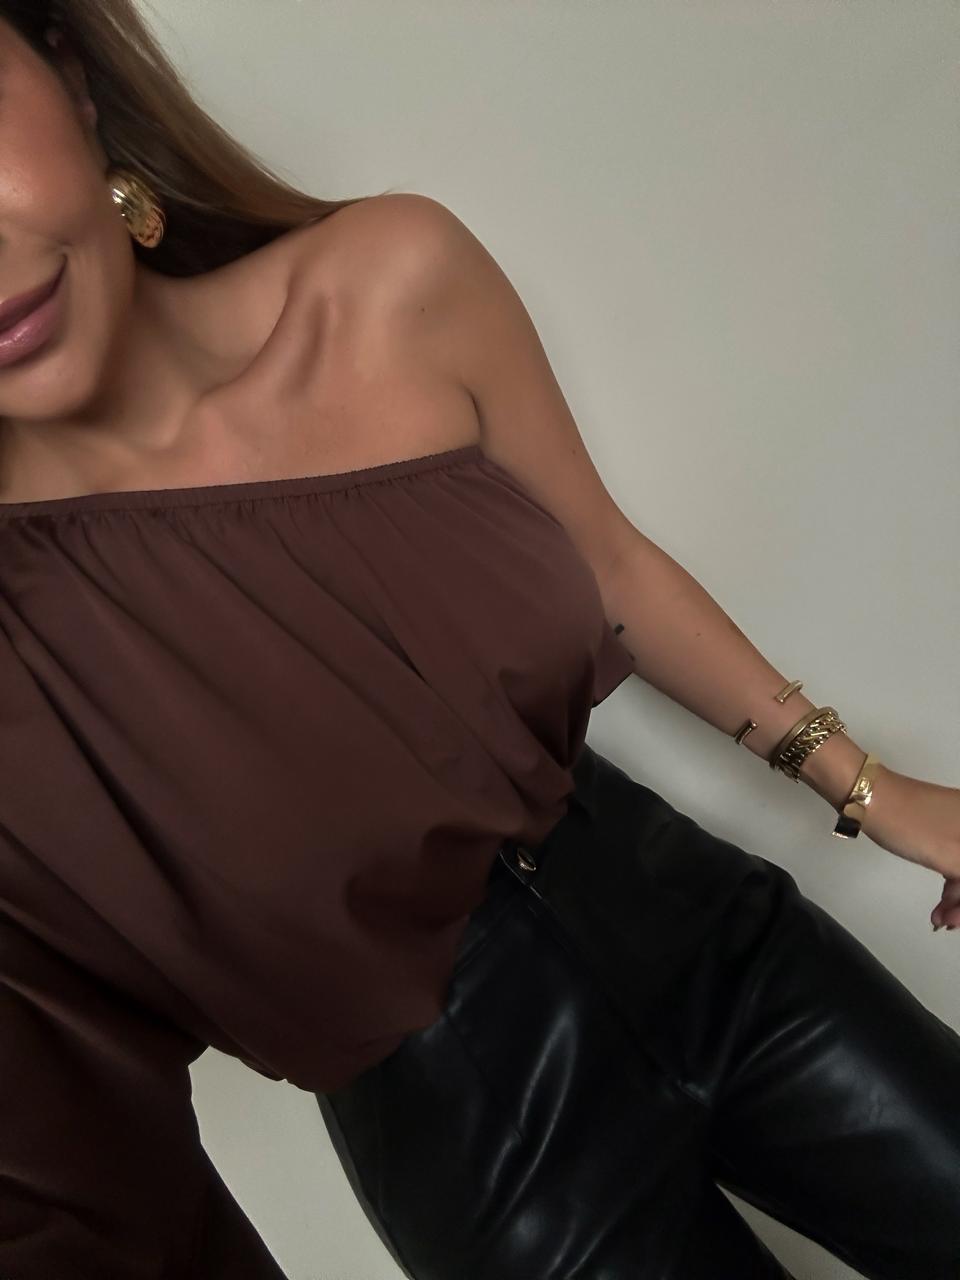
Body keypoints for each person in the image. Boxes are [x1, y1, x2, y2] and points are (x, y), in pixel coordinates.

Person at [0, 3, 957, 1278]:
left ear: (69, 70)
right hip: (488, 1159)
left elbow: (608, 564)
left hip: (719, 945)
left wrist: (875, 791)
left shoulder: (390, 281)